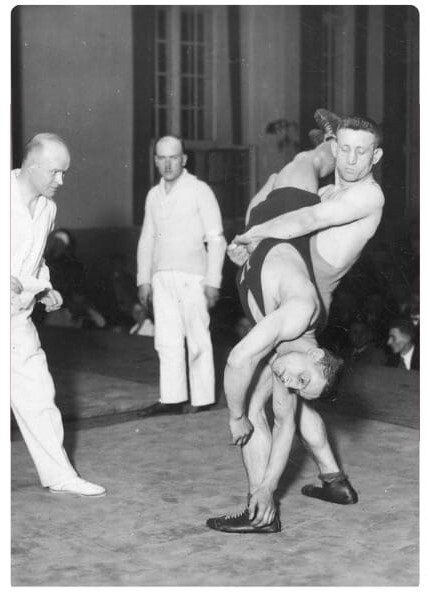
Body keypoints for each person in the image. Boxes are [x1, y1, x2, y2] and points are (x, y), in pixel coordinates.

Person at [207, 113, 384, 533]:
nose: (352, 160)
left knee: (277, 397)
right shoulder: (331, 187)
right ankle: (333, 480)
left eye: (361, 152)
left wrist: (253, 234)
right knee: (289, 394)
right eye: (345, 148)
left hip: (305, 284)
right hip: (297, 288)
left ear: (376, 156)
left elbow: (305, 221)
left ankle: (261, 506)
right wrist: (256, 236)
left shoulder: (368, 196)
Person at [11, 133, 106, 497]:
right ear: (32, 165)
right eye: (55, 172)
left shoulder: (47, 209)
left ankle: (60, 475)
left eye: (64, 172)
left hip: (16, 320)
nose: (61, 181)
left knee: (39, 395)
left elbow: (35, 259)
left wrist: (45, 287)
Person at [137, 135, 227, 415]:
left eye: (173, 158)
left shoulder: (199, 190)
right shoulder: (153, 195)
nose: (168, 164)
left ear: (184, 159)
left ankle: (202, 399)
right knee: (166, 339)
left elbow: (216, 239)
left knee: (197, 338)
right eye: (162, 158)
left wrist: (213, 281)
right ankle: (172, 398)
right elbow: (147, 239)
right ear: (155, 161)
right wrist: (144, 279)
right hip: (162, 277)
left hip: (193, 277)